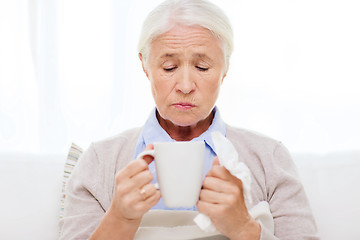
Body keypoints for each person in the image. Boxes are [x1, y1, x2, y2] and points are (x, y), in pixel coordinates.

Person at [59, 0, 319, 239]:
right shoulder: (99, 162)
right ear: (145, 65)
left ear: (225, 68)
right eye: (169, 67)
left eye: (202, 67)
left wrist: (243, 228)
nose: (185, 85)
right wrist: (119, 219)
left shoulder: (268, 159)